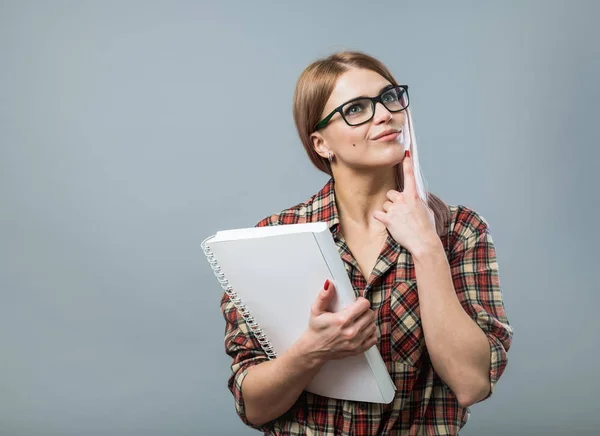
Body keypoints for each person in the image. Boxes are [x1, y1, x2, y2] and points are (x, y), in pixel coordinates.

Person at [220, 50, 513, 435]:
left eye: (389, 97)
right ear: (322, 144)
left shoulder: (459, 230)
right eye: (356, 108)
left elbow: (471, 383)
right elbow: (253, 407)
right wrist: (312, 351)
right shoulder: (273, 237)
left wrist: (426, 246)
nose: (384, 114)